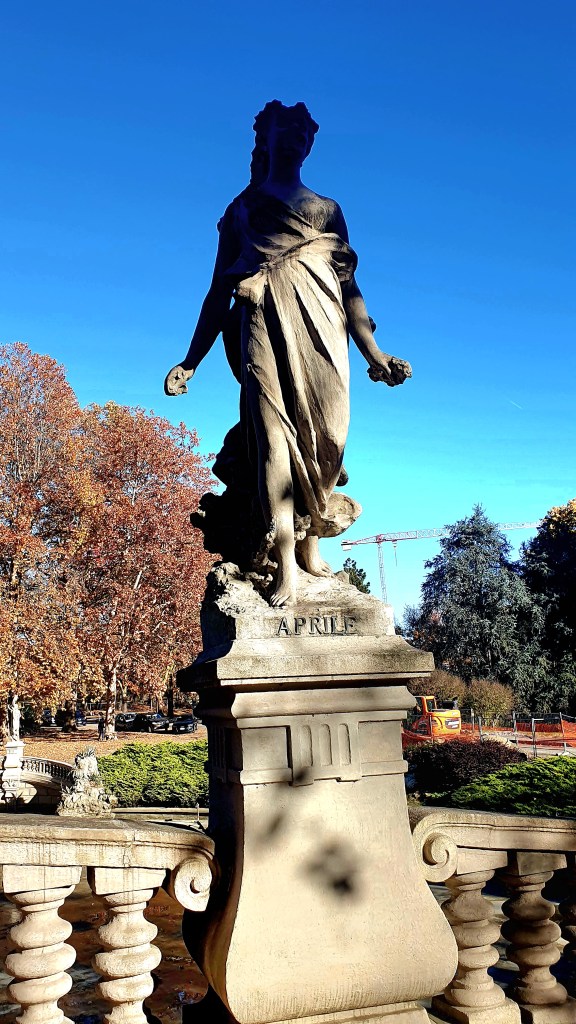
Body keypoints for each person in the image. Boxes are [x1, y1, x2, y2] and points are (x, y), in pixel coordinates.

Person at [165, 101, 410, 607]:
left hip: (323, 327)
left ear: (310, 143)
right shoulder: (242, 210)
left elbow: (351, 290)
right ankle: (286, 567)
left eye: (303, 133)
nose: (296, 139)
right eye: (286, 131)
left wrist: (374, 354)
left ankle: (311, 547)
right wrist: (192, 360)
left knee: (326, 440)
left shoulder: (328, 210)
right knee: (274, 436)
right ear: (267, 139)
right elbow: (216, 292)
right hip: (261, 319)